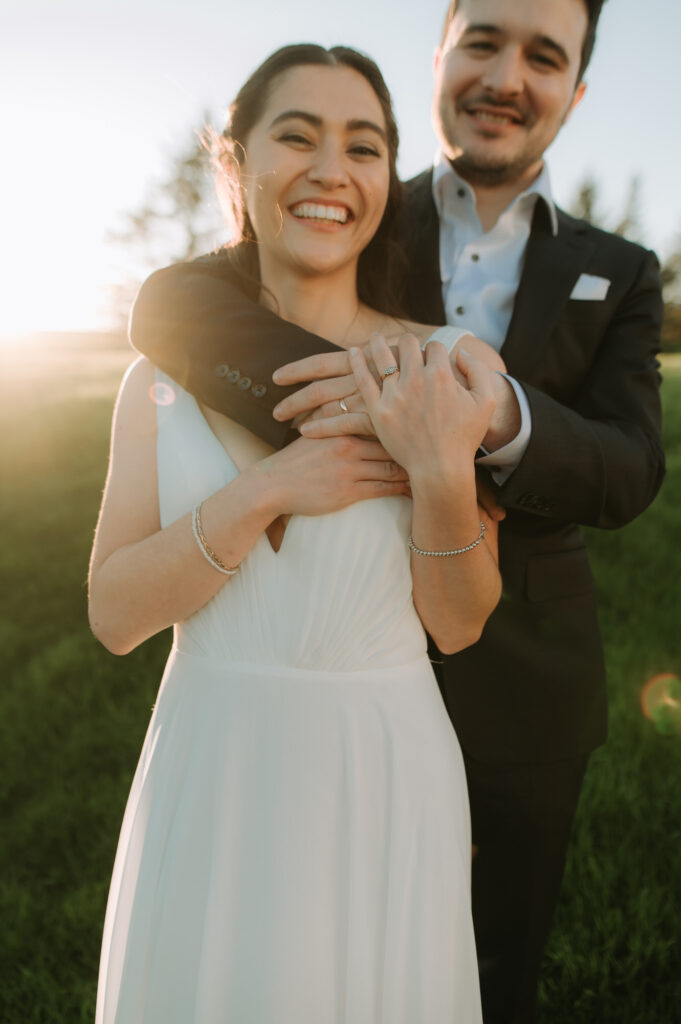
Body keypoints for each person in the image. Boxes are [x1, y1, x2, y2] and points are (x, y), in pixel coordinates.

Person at [128, 2, 666, 1021]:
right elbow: (175, 306)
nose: (507, 75)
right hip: (326, 655)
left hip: (526, 667)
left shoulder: (620, 271)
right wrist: (387, 406)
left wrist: (488, 414)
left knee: (480, 967)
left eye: (544, 56)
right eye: (484, 42)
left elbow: (630, 464)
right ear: (439, 58)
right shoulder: (354, 195)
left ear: (577, 90)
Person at [90, 43, 504, 1023]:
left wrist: (439, 466)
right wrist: (265, 489)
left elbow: (459, 624)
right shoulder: (153, 382)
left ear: (384, 183)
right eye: (296, 135)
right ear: (235, 164)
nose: (331, 170)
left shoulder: (448, 362)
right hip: (215, 758)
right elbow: (112, 615)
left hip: (385, 767)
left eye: (363, 147)